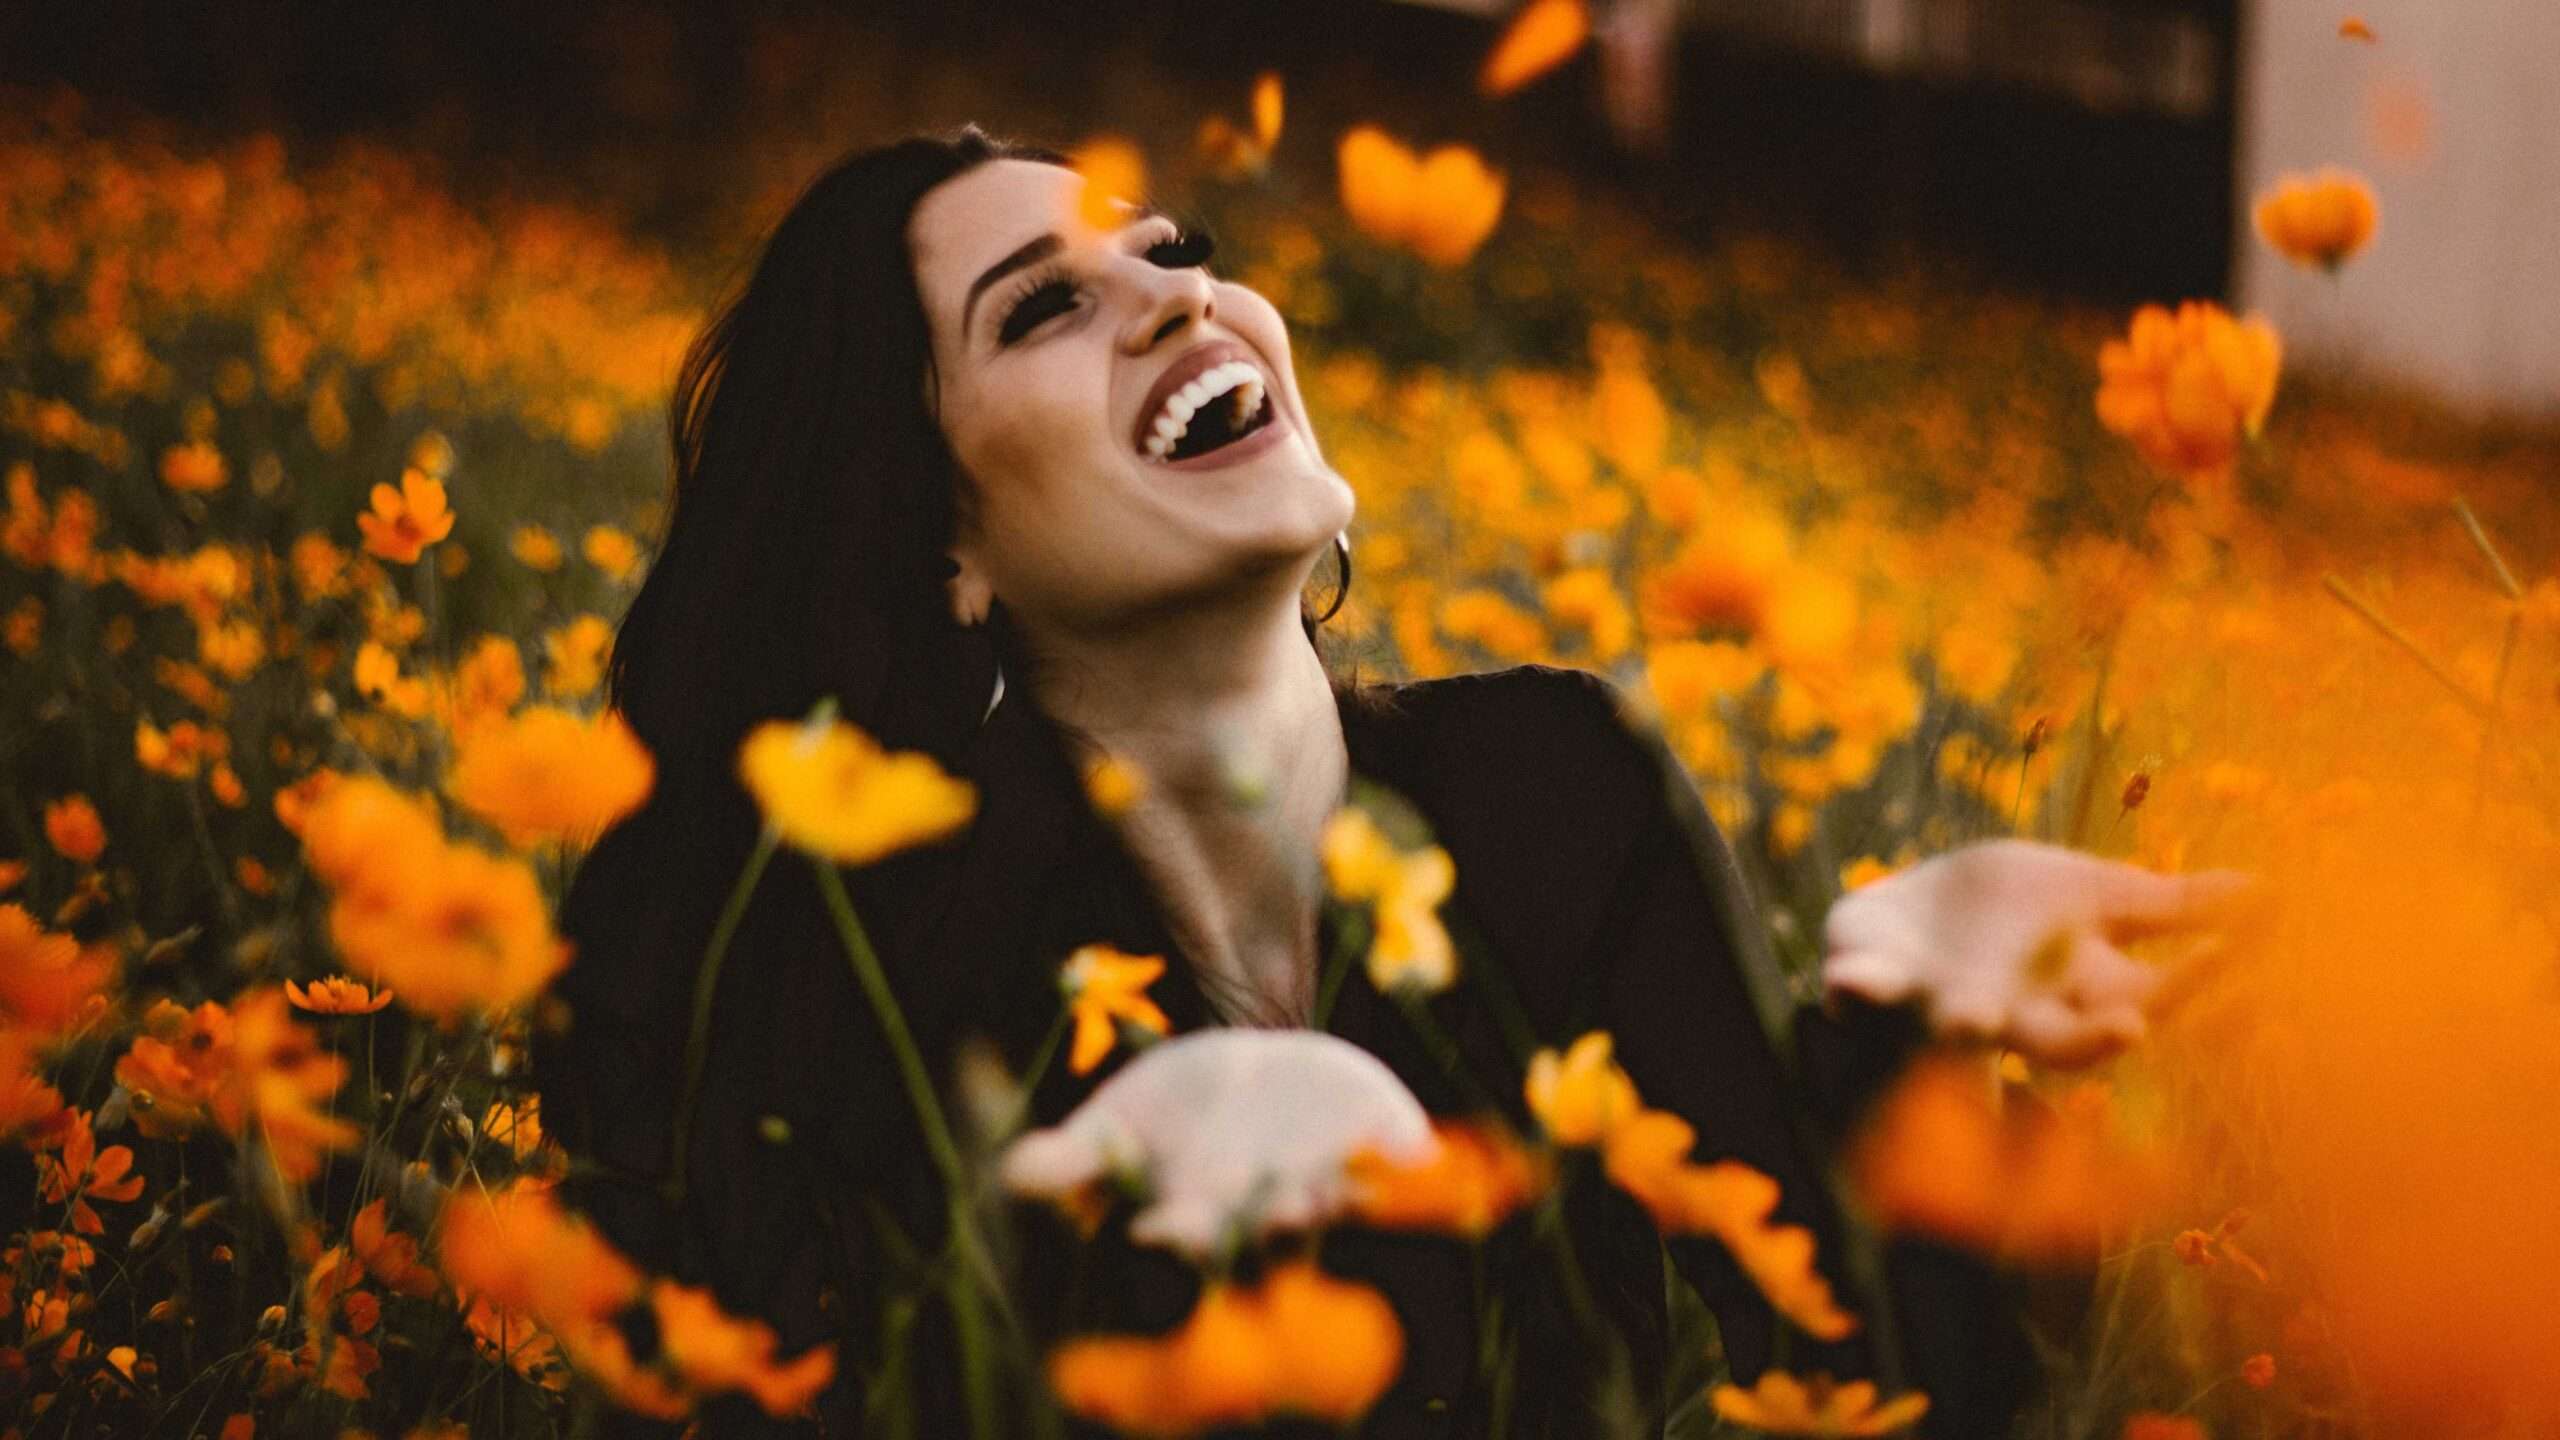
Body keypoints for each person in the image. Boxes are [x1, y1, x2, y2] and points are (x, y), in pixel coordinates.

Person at [535, 126, 2236, 1438]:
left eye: (1171, 252)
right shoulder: (915, 992)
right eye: (1050, 306)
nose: (1184, 298)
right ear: (943, 544)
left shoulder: (1559, 796)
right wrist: (1092, 1267)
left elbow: (1873, 1369)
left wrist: (1904, 1021)